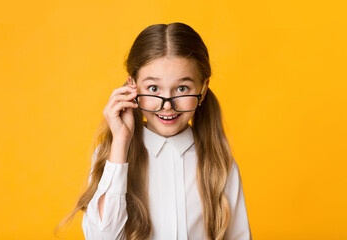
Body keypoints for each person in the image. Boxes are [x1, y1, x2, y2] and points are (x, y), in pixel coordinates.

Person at [58, 22, 252, 240]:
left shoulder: (219, 163)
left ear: (203, 89)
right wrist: (120, 143)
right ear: (133, 86)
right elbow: (102, 237)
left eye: (182, 88)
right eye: (153, 88)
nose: (167, 104)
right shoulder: (113, 156)